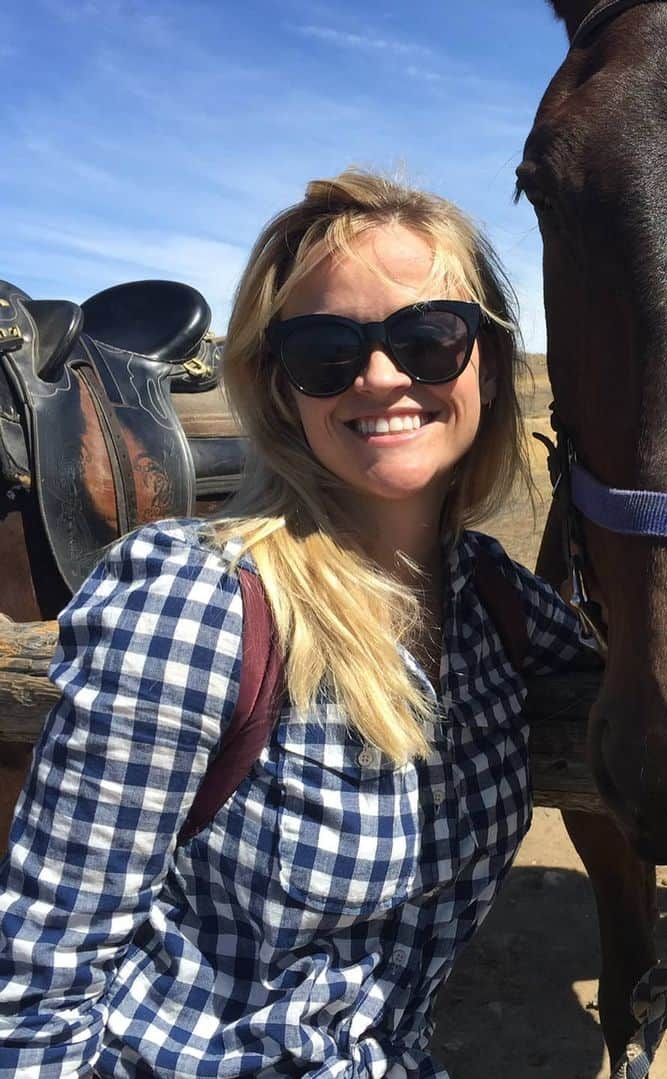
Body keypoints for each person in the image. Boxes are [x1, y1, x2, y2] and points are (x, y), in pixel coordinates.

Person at [0, 169, 594, 1077]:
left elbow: (645, 672)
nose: (382, 376)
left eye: (430, 337)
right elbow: (32, 1009)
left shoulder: (496, 603)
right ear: (282, 389)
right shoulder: (195, 602)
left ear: (486, 362)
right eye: (326, 351)